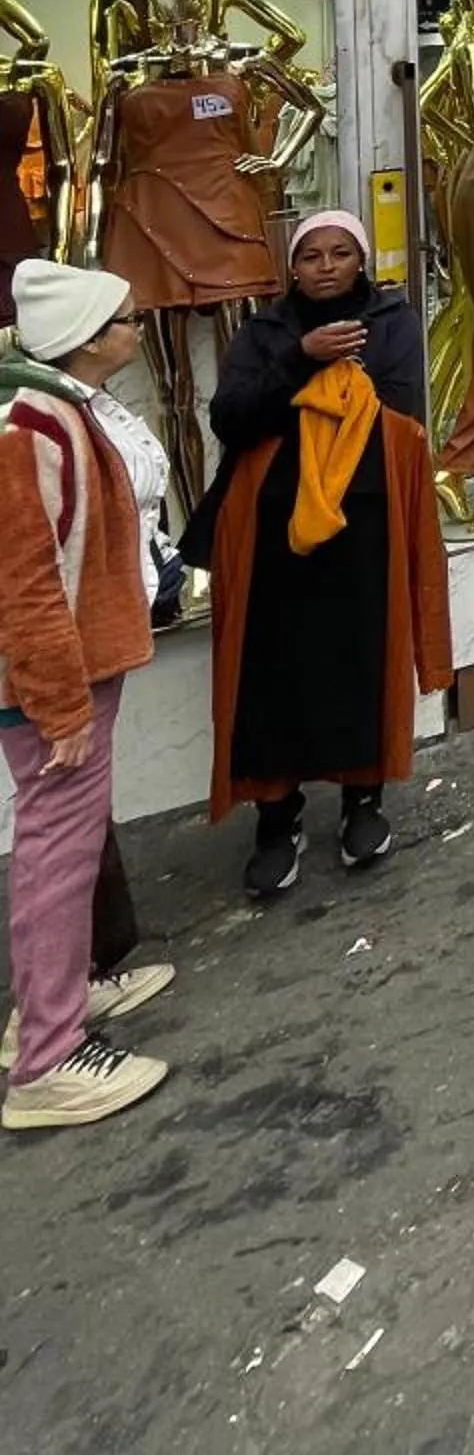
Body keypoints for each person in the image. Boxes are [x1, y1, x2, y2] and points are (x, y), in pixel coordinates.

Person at [183, 212, 451, 898]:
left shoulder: (390, 322)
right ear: (292, 266)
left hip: (365, 521)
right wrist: (305, 361)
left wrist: (335, 391)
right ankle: (279, 817)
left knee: (361, 659)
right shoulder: (267, 331)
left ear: (360, 261)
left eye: (339, 254)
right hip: (273, 530)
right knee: (273, 672)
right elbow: (232, 416)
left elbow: (402, 412)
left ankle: (364, 802)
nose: (325, 266)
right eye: (310, 256)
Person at [0, 261, 173, 1130]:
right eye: (129, 320)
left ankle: (55, 1008)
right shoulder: (35, 424)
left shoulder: (58, 411)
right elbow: (24, 578)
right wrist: (59, 703)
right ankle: (48, 1062)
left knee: (60, 849)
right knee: (55, 855)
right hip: (54, 680)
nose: (140, 330)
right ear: (91, 336)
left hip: (74, 667)